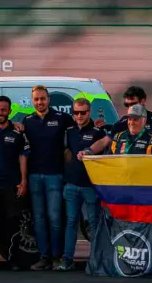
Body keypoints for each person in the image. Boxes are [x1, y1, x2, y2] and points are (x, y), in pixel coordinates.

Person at [21, 85, 75, 271]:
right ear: (32, 100)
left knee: (54, 217)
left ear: (48, 100)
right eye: (36, 99)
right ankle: (44, 257)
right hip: (34, 176)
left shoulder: (62, 118)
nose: (39, 102)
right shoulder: (27, 121)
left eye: (42, 98)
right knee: (39, 219)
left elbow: (80, 128)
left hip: (55, 176)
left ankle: (57, 257)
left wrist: (97, 124)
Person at [0, 95, 29, 271]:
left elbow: (23, 157)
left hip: (12, 185)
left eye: (3, 110)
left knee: (13, 223)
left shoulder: (17, 133)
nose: (0, 113)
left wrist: (23, 181)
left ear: (10, 111)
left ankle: (12, 260)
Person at [60, 98, 105, 271]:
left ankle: (96, 259)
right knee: (71, 222)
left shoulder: (98, 131)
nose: (79, 116)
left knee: (93, 223)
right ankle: (67, 259)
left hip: (90, 186)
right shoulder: (69, 129)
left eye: (83, 112)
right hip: (71, 184)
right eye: (76, 112)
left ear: (89, 112)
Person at [91, 86, 152, 156]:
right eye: (127, 105)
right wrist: (88, 151)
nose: (130, 107)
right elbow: (104, 141)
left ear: (143, 101)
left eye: (133, 104)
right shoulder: (123, 121)